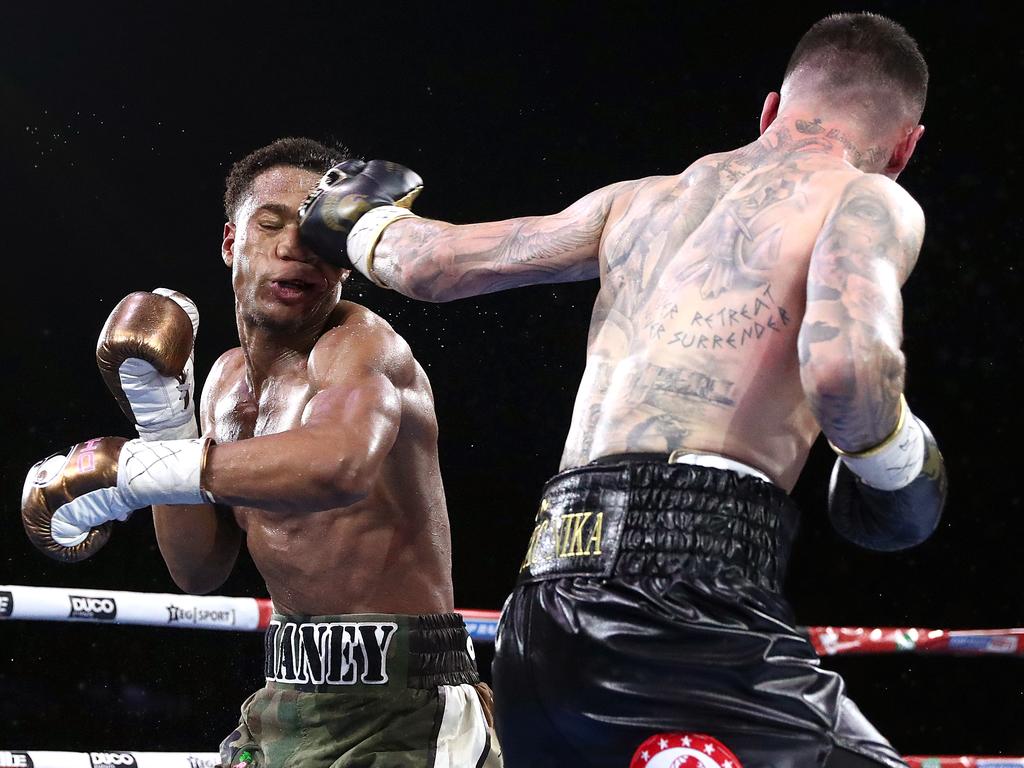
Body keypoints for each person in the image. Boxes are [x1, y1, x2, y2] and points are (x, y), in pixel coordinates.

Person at [295, 13, 947, 768]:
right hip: (685, 602)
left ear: (769, 110)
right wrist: (898, 463)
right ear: (906, 147)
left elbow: (432, 265)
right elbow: (846, 373)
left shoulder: (636, 201)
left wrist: (359, 221)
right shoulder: (868, 199)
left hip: (540, 612)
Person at [21, 137, 500, 768]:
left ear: (345, 259)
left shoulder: (362, 346)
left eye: (317, 234)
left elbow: (339, 464)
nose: (292, 249)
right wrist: (165, 432)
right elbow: (199, 571)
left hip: (404, 704)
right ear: (230, 243)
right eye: (269, 225)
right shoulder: (222, 384)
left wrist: (135, 470)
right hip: (287, 694)